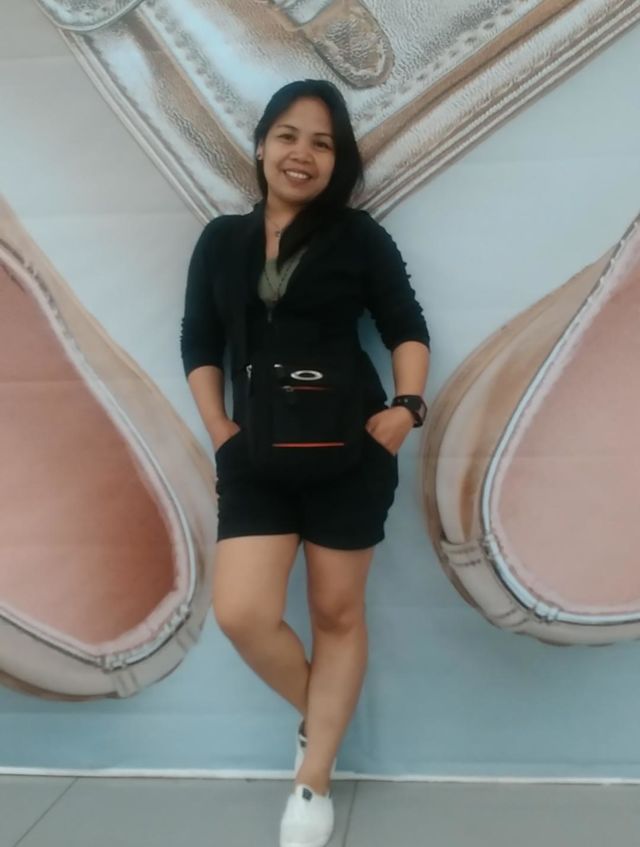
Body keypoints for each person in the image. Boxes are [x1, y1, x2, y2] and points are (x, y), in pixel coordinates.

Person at [180, 79, 430, 847]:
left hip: (351, 450)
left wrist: (406, 408)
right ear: (262, 145)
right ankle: (321, 723)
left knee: (336, 614)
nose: (303, 154)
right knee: (243, 613)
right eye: (288, 135)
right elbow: (199, 340)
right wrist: (220, 429)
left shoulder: (358, 237)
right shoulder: (221, 239)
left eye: (322, 143)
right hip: (253, 454)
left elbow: (406, 325)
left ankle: (312, 778)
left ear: (338, 160)